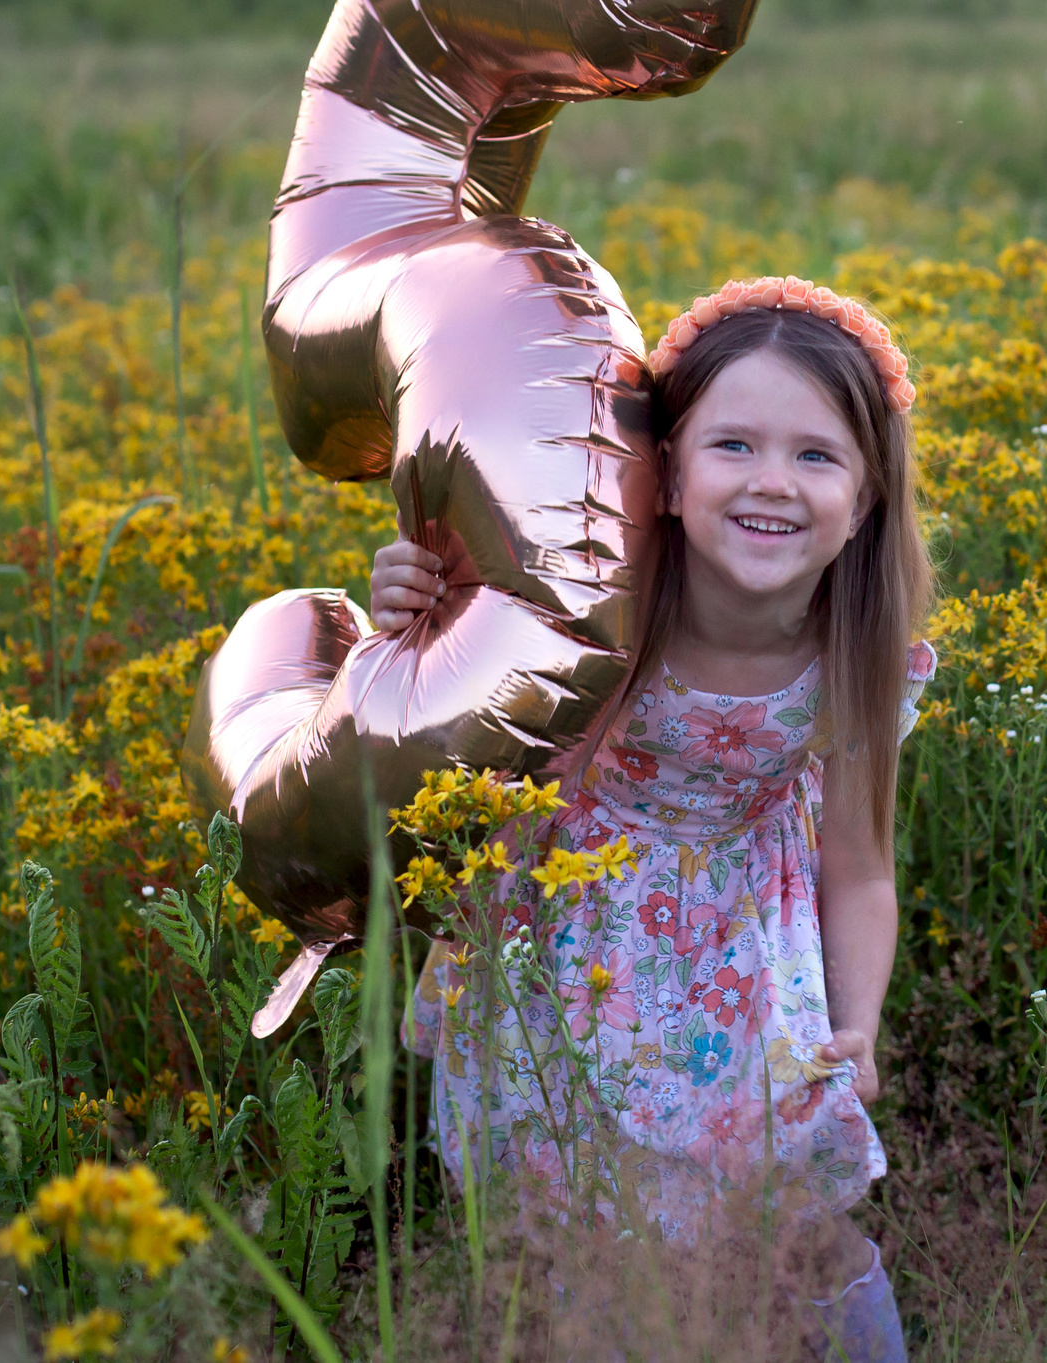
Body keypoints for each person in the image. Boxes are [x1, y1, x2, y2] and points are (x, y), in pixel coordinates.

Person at [372, 277, 935, 1360]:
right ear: (667, 477)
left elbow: (860, 871)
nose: (773, 483)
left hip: (741, 973)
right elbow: (430, 712)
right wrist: (415, 609)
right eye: (734, 446)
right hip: (556, 955)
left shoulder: (855, 655)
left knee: (791, 1234)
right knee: (582, 1250)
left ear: (864, 500)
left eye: (816, 456)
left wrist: (854, 1027)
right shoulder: (597, 603)